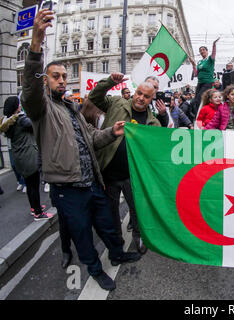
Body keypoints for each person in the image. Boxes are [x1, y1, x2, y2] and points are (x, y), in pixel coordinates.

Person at [21, 9, 141, 291]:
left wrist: (113, 131)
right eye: (56, 77)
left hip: (93, 184)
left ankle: (117, 252)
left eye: (64, 76)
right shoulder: (42, 109)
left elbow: (93, 138)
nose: (62, 80)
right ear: (45, 81)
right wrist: (36, 44)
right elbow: (29, 89)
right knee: (82, 236)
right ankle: (96, 270)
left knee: (107, 226)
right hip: (68, 189)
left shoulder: (73, 110)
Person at [89, 73, 162, 255]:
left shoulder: (153, 123)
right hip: (108, 173)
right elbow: (94, 97)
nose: (140, 98)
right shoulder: (117, 103)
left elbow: (156, 152)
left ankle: (139, 236)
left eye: (146, 96)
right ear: (135, 91)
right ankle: (117, 241)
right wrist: (109, 82)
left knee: (137, 210)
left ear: (151, 99)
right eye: (139, 93)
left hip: (133, 176)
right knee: (111, 211)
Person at [1, 96, 51, 221]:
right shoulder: (21, 120)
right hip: (29, 157)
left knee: (30, 185)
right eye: (18, 104)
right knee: (34, 185)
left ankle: (35, 207)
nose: (20, 106)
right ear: (15, 107)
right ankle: (39, 213)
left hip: (20, 157)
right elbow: (37, 123)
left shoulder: (8, 122)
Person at [189, 38, 220, 116]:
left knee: (199, 99)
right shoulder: (200, 62)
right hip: (200, 83)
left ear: (206, 51)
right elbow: (196, 74)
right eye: (200, 50)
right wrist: (193, 65)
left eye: (203, 50)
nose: (202, 51)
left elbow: (213, 54)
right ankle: (197, 115)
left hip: (207, 82)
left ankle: (200, 115)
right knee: (194, 101)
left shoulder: (210, 59)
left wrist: (214, 45)